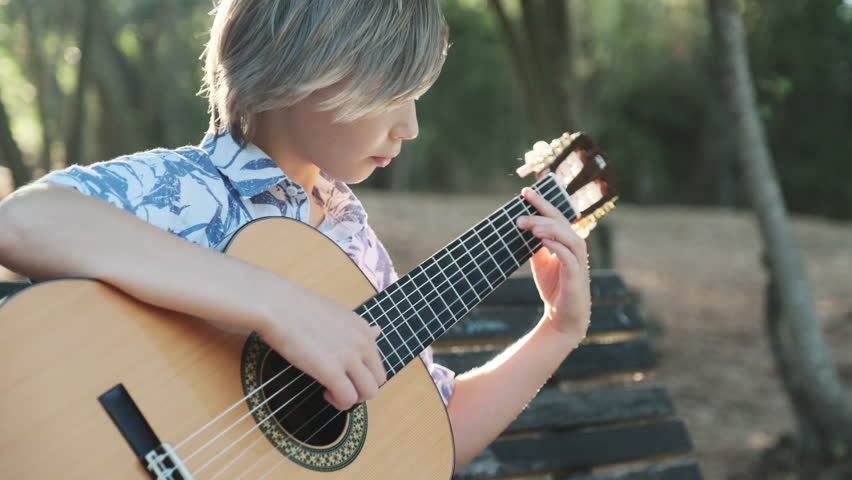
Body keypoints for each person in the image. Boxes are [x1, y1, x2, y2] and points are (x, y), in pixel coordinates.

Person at [0, 0, 591, 471]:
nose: (410, 126)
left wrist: (556, 333)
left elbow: (422, 439)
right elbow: (22, 221)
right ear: (307, 62)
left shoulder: (355, 247)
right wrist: (274, 304)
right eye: (395, 94)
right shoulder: (179, 187)